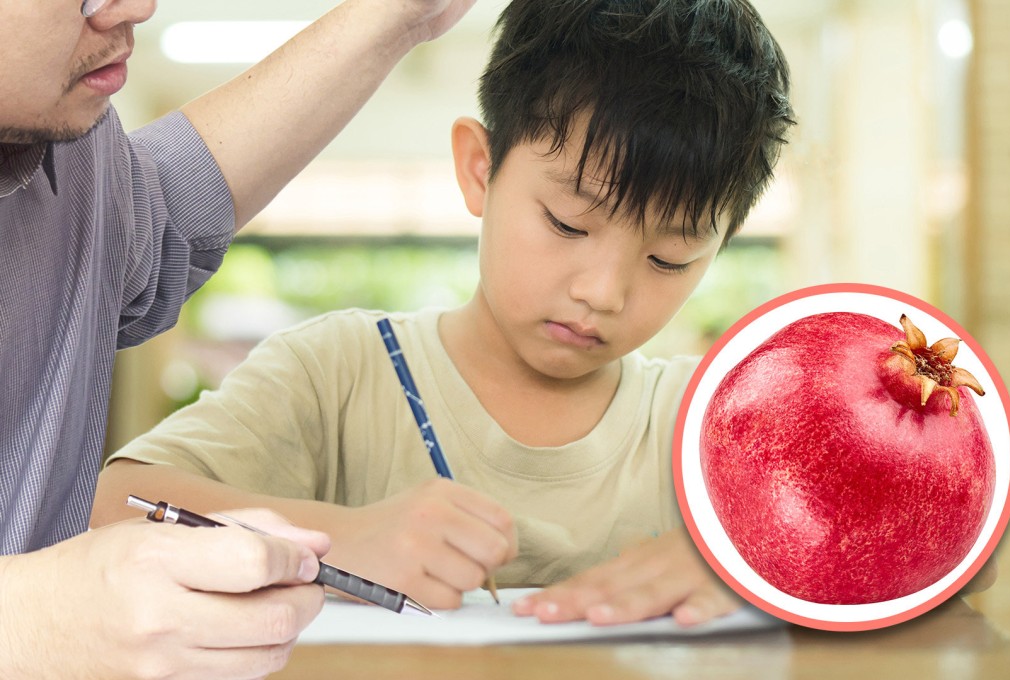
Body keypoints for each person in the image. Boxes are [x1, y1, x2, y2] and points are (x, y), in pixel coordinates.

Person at [92, 0, 794, 627]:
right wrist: (341, 537)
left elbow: (897, 536)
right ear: (479, 169)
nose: (603, 292)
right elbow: (111, 506)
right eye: (567, 224)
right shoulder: (335, 375)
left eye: (670, 259)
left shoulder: (714, 422)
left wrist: (750, 567)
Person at [0, 0, 479, 677]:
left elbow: (155, 217)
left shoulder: (70, 152)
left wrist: (399, 17)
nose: (135, 7)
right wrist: (30, 621)